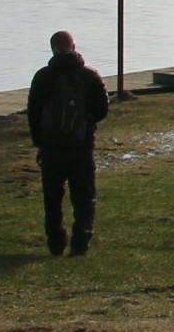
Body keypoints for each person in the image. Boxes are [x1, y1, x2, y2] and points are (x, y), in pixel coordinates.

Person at [27, 28, 111, 257]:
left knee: (53, 198)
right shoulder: (90, 76)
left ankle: (56, 242)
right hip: (81, 146)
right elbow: (102, 110)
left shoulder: (43, 77)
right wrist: (87, 124)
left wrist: (39, 142)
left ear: (53, 49)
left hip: (52, 147)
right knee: (84, 197)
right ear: (74, 47)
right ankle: (81, 242)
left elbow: (33, 113)